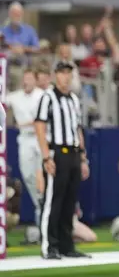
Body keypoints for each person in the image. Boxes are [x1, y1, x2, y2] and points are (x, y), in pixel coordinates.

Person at [35, 61, 90, 260]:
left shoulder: (74, 99)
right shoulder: (48, 97)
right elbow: (39, 127)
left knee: (69, 201)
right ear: (55, 75)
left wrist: (83, 158)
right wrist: (46, 156)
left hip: (73, 153)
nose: (65, 77)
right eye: (62, 73)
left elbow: (78, 129)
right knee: (53, 201)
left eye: (69, 73)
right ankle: (50, 245)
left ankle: (67, 245)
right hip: (57, 152)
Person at [6, 68, 44, 243]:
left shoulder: (42, 95)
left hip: (40, 138)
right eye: (25, 78)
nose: (27, 81)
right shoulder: (16, 96)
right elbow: (3, 101)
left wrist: (25, 123)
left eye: (30, 78)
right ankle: (41, 207)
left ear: (35, 80)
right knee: (28, 176)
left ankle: (43, 212)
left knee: (41, 177)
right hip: (25, 140)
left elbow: (41, 120)